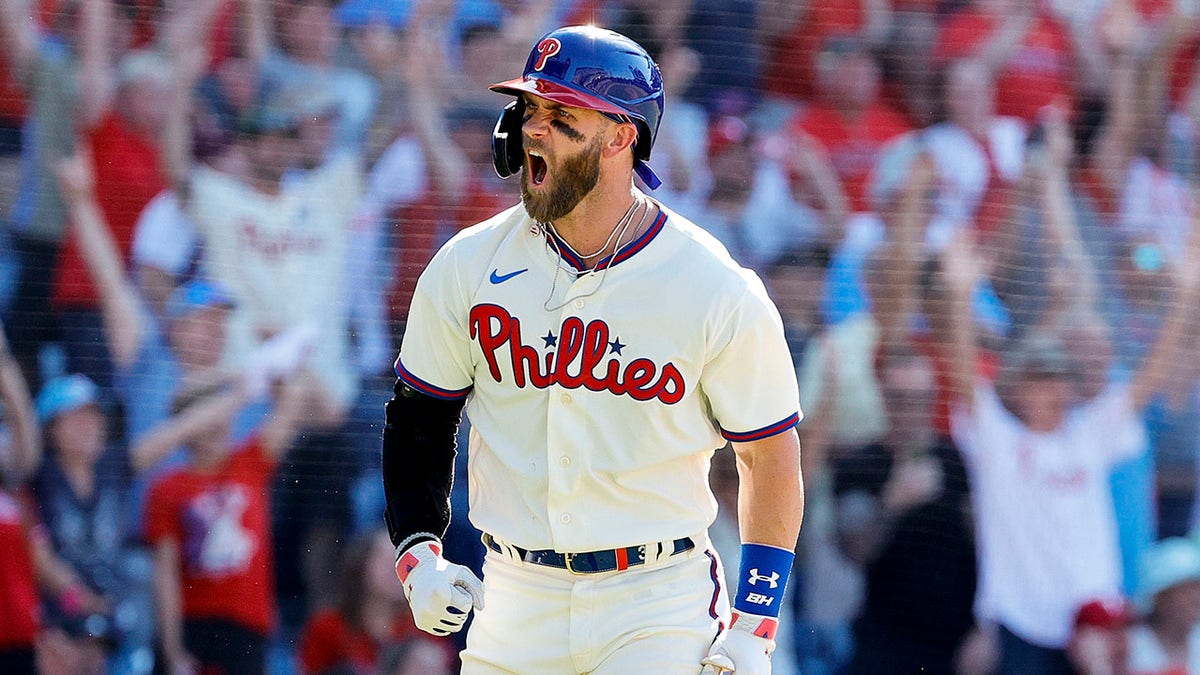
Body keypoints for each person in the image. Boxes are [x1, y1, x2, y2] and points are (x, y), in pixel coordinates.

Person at [380, 25, 804, 674]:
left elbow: (769, 457)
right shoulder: (465, 266)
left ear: (620, 136)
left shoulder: (713, 286)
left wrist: (755, 622)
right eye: (528, 109)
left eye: (559, 113)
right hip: (515, 598)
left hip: (657, 600)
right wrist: (417, 549)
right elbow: (419, 419)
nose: (532, 130)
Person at [1127, 537, 1200, 674]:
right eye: (1186, 590)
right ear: (1160, 598)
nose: (1196, 599)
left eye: (1197, 588)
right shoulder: (1129, 647)